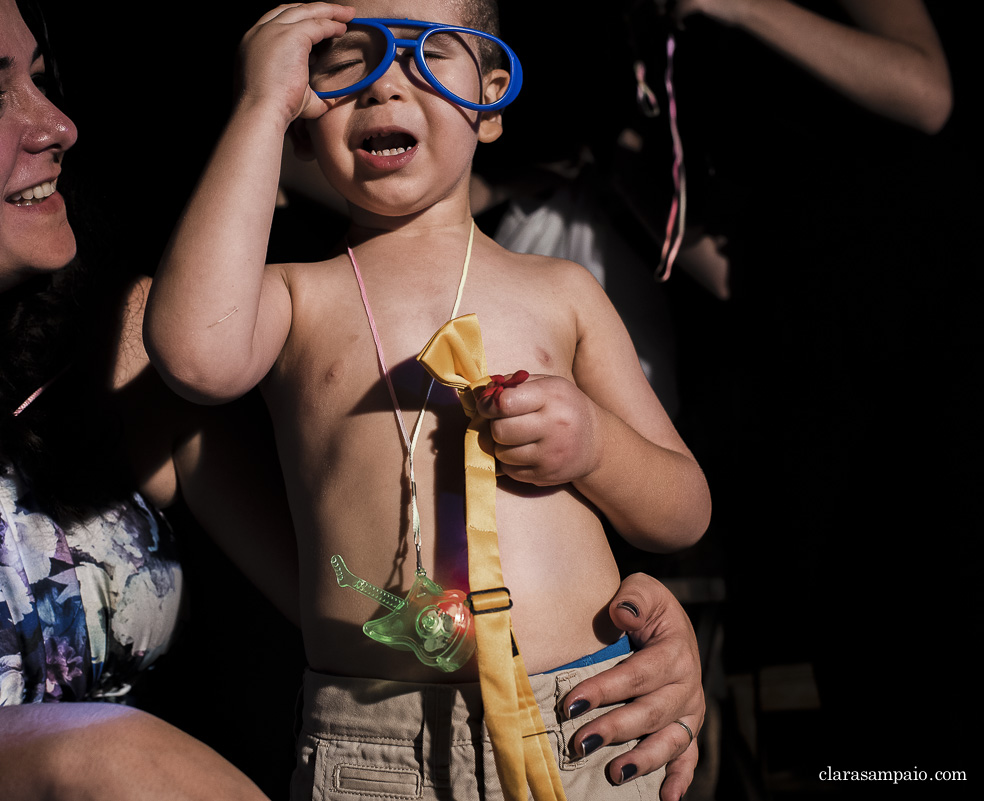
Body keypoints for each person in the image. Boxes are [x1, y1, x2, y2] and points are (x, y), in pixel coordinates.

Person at [0, 0, 707, 798]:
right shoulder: (272, 307)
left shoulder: (122, 343)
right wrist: (88, 757)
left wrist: (633, 637)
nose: (59, 123)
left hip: (548, 717)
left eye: (42, 77)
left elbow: (376, 588)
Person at [143, 1, 710, 798]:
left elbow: (683, 510)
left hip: (579, 717)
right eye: (347, 58)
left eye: (431, 50)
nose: (386, 83)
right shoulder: (295, 297)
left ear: (493, 96)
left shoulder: (563, 292)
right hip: (374, 744)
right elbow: (191, 353)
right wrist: (258, 107)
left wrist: (596, 446)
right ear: (303, 117)